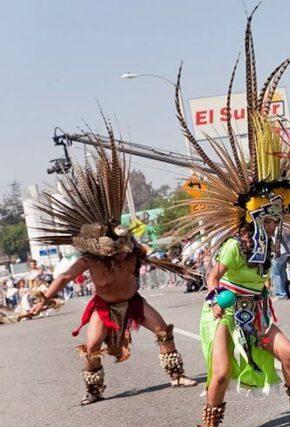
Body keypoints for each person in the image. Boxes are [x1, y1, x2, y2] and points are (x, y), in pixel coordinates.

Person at [172, 10, 290, 427]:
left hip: (258, 308)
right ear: (250, 218)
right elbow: (214, 275)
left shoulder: (269, 240)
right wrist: (216, 294)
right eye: (267, 215)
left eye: (277, 215)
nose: (275, 221)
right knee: (220, 372)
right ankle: (211, 418)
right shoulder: (234, 247)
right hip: (223, 310)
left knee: (288, 351)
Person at [27, 122, 198, 405]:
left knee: (162, 329)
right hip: (104, 307)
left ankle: (176, 375)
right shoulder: (89, 259)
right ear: (103, 252)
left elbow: (158, 258)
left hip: (133, 301)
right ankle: (94, 390)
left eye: (123, 250)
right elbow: (65, 278)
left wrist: (180, 267)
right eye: (116, 252)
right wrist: (44, 299)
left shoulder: (133, 251)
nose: (121, 255)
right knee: (92, 345)